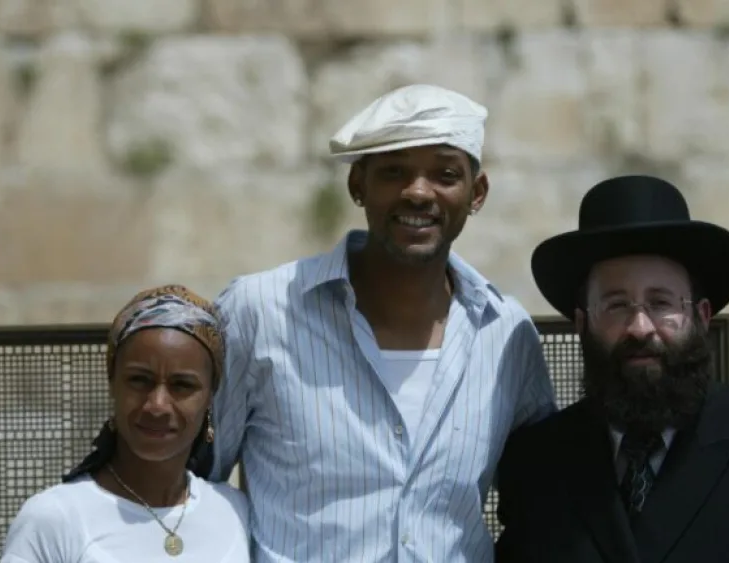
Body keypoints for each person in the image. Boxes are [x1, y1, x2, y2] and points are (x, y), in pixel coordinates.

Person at [209, 83, 557, 562]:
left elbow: (540, 503)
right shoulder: (261, 311)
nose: (417, 192)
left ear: (476, 194)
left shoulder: (505, 332)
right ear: (358, 185)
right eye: (394, 172)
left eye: (445, 173)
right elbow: (188, 483)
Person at [494, 175, 729, 562]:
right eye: (616, 305)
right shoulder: (536, 464)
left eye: (661, 303)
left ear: (701, 316)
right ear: (581, 324)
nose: (640, 328)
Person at [1, 285, 251, 562]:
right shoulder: (55, 518)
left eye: (182, 385)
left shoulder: (234, 511)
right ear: (112, 384)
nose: (157, 405)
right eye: (139, 380)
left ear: (210, 398)